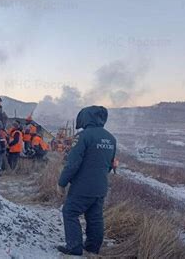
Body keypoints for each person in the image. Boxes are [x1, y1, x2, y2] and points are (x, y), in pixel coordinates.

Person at [56, 106, 117, 256]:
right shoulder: (111, 138)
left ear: (86, 118)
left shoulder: (83, 136)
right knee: (95, 217)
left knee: (69, 212)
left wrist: (62, 183)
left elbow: (72, 164)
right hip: (101, 187)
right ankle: (92, 247)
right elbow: (110, 165)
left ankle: (74, 247)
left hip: (82, 187)